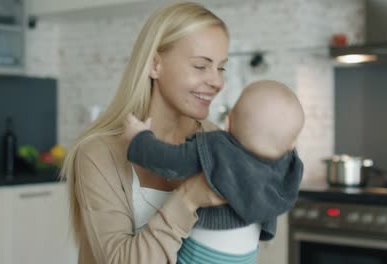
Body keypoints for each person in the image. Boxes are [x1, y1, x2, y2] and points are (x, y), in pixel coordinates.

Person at [60, 2, 231, 263]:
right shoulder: (100, 153)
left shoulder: (219, 144)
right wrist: (187, 199)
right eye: (200, 66)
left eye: (221, 68)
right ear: (154, 65)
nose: (217, 81)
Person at [124, 80, 305, 263]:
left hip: (200, 257)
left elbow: (169, 160)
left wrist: (139, 139)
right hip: (246, 258)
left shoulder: (216, 148)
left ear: (227, 122)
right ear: (291, 143)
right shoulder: (287, 167)